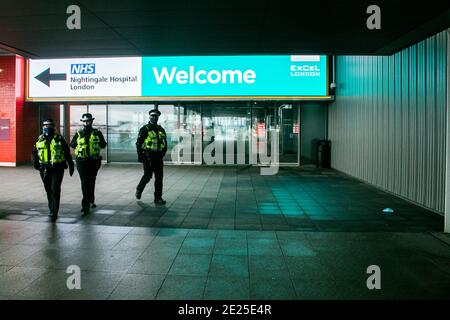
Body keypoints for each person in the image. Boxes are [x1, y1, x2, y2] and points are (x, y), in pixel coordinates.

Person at [32, 119, 74, 221]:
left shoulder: (60, 139)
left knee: (55, 189)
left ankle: (54, 211)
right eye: (45, 125)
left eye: (49, 125)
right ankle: (51, 208)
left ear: (53, 127)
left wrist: (71, 165)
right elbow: (34, 153)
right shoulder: (40, 140)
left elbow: (67, 153)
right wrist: (36, 164)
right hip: (44, 169)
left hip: (57, 168)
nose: (47, 127)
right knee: (48, 189)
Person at [70, 113, 107, 215]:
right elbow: (72, 144)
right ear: (82, 122)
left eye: (88, 121)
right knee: (84, 181)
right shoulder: (78, 133)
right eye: (85, 121)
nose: (87, 123)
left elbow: (103, 145)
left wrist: (98, 141)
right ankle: (85, 204)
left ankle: (91, 199)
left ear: (91, 121)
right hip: (82, 161)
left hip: (94, 161)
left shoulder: (97, 132)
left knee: (91, 180)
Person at [135, 109, 168, 205]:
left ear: (158, 117)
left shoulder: (161, 129)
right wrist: (140, 156)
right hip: (148, 157)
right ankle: (139, 189)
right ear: (149, 117)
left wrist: (163, 153)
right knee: (148, 176)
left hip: (158, 157)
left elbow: (165, 143)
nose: (154, 118)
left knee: (159, 178)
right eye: (152, 116)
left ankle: (158, 198)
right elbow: (138, 143)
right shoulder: (144, 129)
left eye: (156, 116)